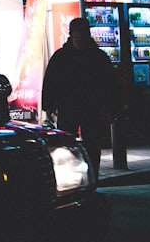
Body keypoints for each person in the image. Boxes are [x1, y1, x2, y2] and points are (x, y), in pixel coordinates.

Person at [41, 17, 119, 176]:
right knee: (70, 144)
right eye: (77, 34)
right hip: (77, 106)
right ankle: (76, 177)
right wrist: (49, 106)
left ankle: (89, 177)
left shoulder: (64, 56)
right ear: (71, 35)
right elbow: (50, 83)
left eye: (82, 34)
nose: (80, 38)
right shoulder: (97, 57)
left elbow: (109, 85)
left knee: (86, 144)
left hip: (85, 107)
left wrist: (111, 108)